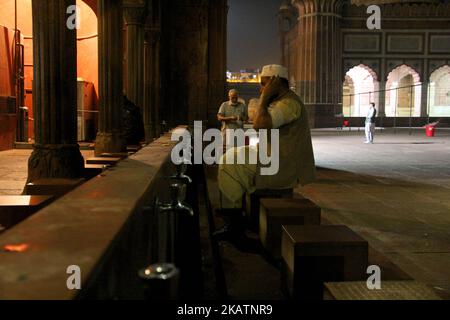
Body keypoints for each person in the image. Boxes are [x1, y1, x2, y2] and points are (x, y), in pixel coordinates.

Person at [214, 64, 316, 243]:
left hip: (282, 163)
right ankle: (236, 217)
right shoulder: (281, 101)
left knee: (229, 165)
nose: (261, 88)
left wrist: (266, 96)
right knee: (229, 159)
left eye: (264, 84)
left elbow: (259, 124)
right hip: (273, 156)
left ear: (276, 83)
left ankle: (235, 226)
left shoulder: (289, 104)